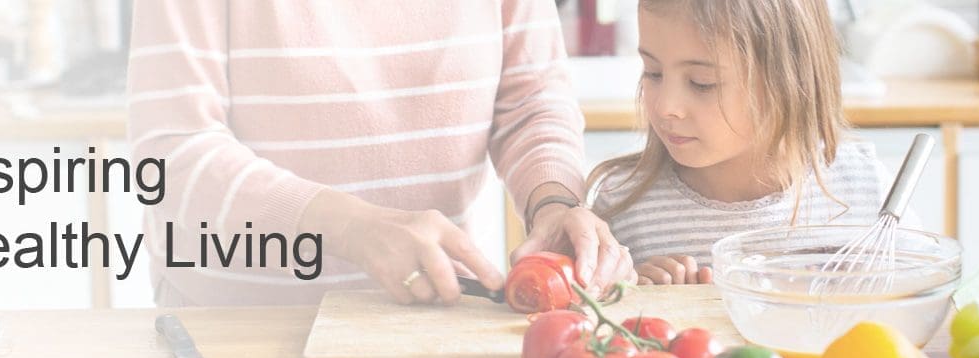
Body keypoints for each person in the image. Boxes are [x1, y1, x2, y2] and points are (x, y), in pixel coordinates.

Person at [127, 0, 633, 306]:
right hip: (237, 334)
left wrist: (554, 205)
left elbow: (530, 101)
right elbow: (172, 158)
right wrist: (352, 227)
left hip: (428, 315)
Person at [588, 0, 913, 285]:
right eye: (653, 72)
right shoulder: (620, 207)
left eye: (703, 84)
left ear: (787, 79)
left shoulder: (868, 190)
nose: (665, 106)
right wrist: (637, 298)